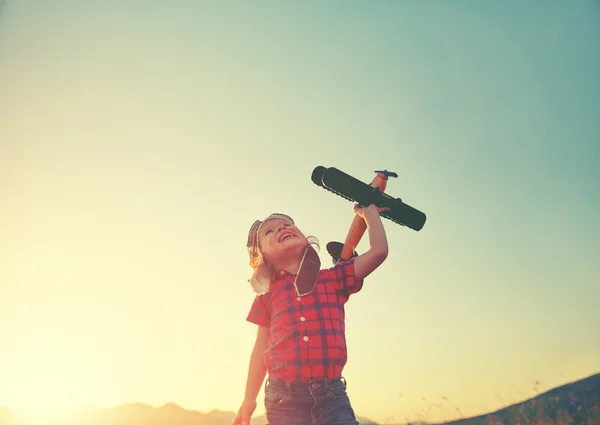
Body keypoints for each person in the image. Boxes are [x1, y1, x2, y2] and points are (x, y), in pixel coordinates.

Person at [232, 203, 390, 425]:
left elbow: (378, 252)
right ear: (263, 256)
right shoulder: (267, 296)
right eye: (270, 231)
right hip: (283, 400)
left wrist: (370, 216)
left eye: (287, 225)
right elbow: (260, 350)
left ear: (306, 241)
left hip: (332, 397)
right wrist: (249, 399)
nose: (280, 228)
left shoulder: (333, 279)